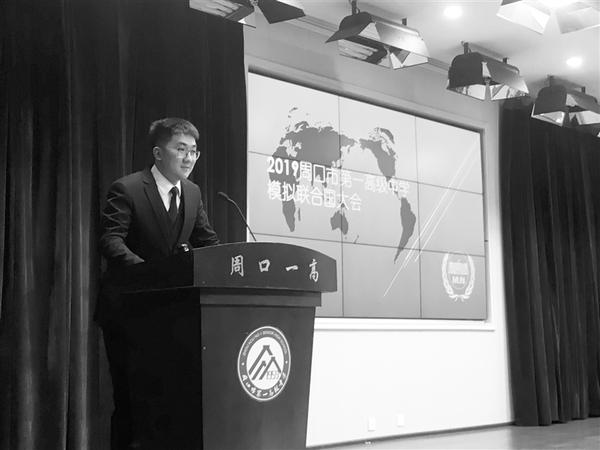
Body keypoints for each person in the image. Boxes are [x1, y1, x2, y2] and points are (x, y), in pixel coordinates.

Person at [97, 117, 220, 449]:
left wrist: (228, 263)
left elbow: (207, 242)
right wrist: (147, 272)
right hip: (128, 312)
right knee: (131, 402)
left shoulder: (192, 192)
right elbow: (111, 240)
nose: (189, 158)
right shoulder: (128, 189)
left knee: (168, 402)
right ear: (157, 153)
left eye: (194, 151)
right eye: (181, 149)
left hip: (174, 314)